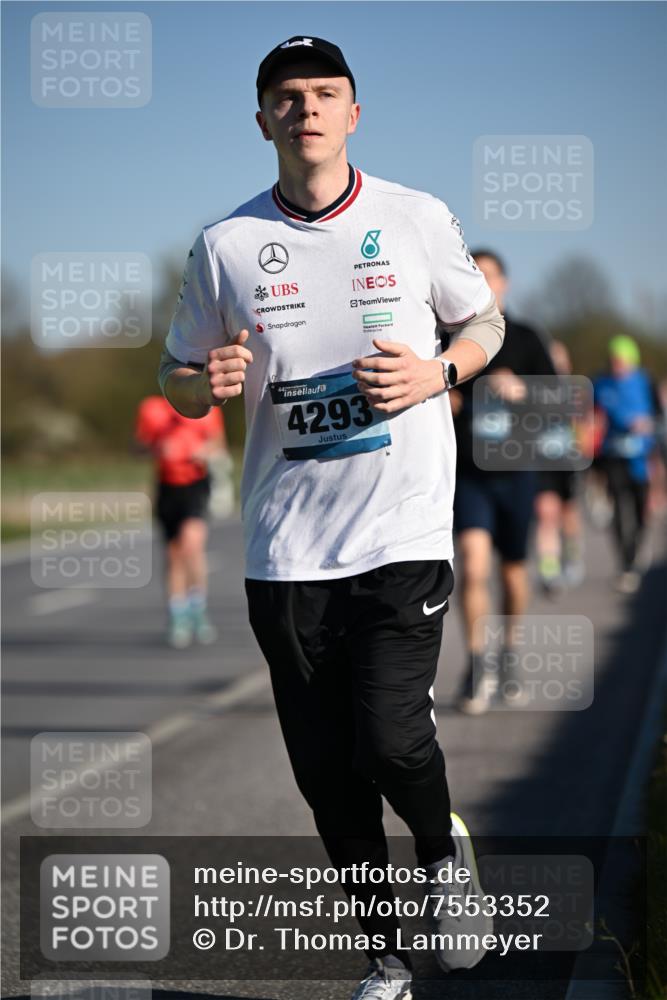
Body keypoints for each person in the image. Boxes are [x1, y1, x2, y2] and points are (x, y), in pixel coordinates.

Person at [158, 36, 505, 999]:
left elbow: (484, 325)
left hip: (400, 535)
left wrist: (438, 372)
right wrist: (201, 384)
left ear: (354, 113)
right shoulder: (225, 245)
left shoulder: (414, 217)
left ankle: (443, 861)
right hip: (285, 550)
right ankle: (386, 957)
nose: (305, 108)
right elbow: (174, 371)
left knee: (390, 739)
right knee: (327, 775)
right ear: (262, 117)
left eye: (325, 93)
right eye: (286, 96)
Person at [449, 250, 556, 715]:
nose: (483, 283)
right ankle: (477, 667)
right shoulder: (447, 338)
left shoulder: (528, 338)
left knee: (513, 574)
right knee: (472, 568)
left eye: (490, 275)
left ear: (505, 284)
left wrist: (524, 391)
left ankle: (508, 656)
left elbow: (560, 404)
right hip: (469, 474)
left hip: (517, 473)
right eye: (474, 274)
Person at [135, 394, 225, 647]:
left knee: (192, 545)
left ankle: (198, 609)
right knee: (173, 553)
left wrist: (203, 452)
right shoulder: (151, 408)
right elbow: (138, 447)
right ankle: (178, 615)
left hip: (195, 484)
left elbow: (219, 445)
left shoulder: (205, 405)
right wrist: (156, 448)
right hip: (167, 486)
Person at [593, 334, 657, 593]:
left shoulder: (645, 381)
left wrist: (646, 425)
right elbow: (589, 412)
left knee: (641, 508)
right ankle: (627, 562)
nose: (617, 365)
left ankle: (638, 545)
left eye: (621, 360)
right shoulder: (600, 383)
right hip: (613, 455)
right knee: (619, 507)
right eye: (613, 360)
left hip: (641, 457)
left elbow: (658, 415)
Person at [534, 340, 586, 592]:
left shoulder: (573, 390)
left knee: (568, 514)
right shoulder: (533, 388)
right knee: (546, 512)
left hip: (568, 459)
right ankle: (548, 568)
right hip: (541, 460)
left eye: (559, 361)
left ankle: (572, 555)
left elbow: (585, 424)